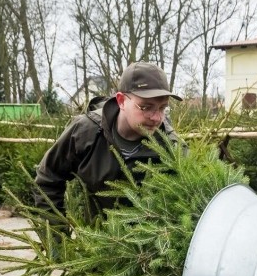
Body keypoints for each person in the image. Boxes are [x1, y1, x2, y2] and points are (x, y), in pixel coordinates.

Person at [34, 62, 183, 218]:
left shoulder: (170, 146)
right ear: (121, 101)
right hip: (95, 236)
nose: (156, 117)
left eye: (162, 108)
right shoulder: (86, 132)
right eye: (146, 107)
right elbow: (48, 179)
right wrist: (58, 238)